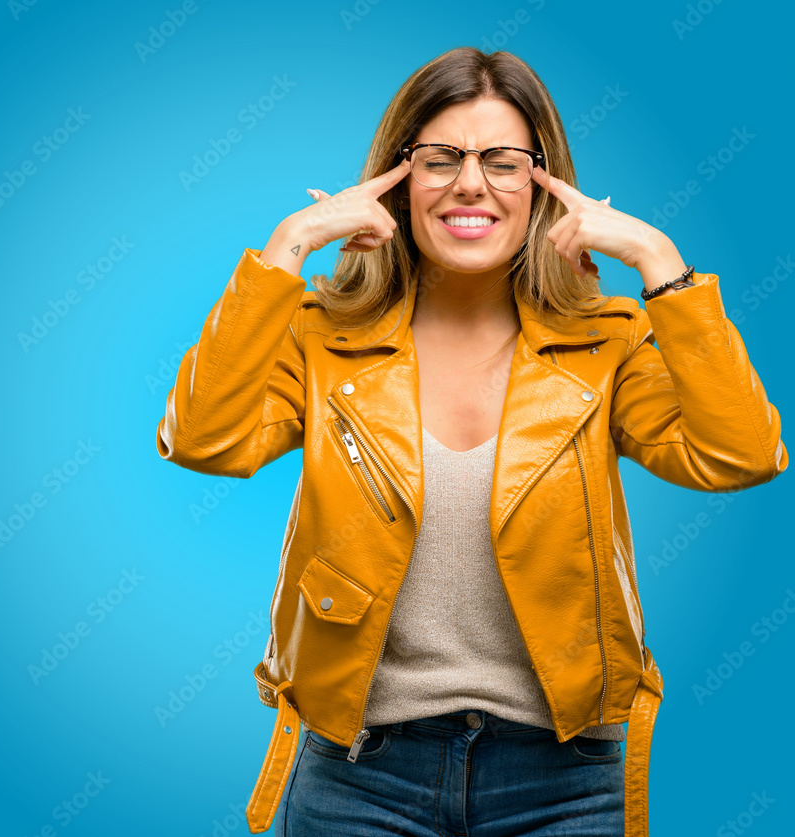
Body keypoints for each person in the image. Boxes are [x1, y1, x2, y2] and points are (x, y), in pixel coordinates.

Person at [155, 46, 787, 837]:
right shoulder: (320, 338)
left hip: (568, 775)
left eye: (502, 161)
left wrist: (661, 265)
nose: (470, 183)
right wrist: (289, 247)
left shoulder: (608, 342)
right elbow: (204, 439)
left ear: (544, 182)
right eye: (441, 158)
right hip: (357, 772)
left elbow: (741, 453)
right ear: (396, 178)